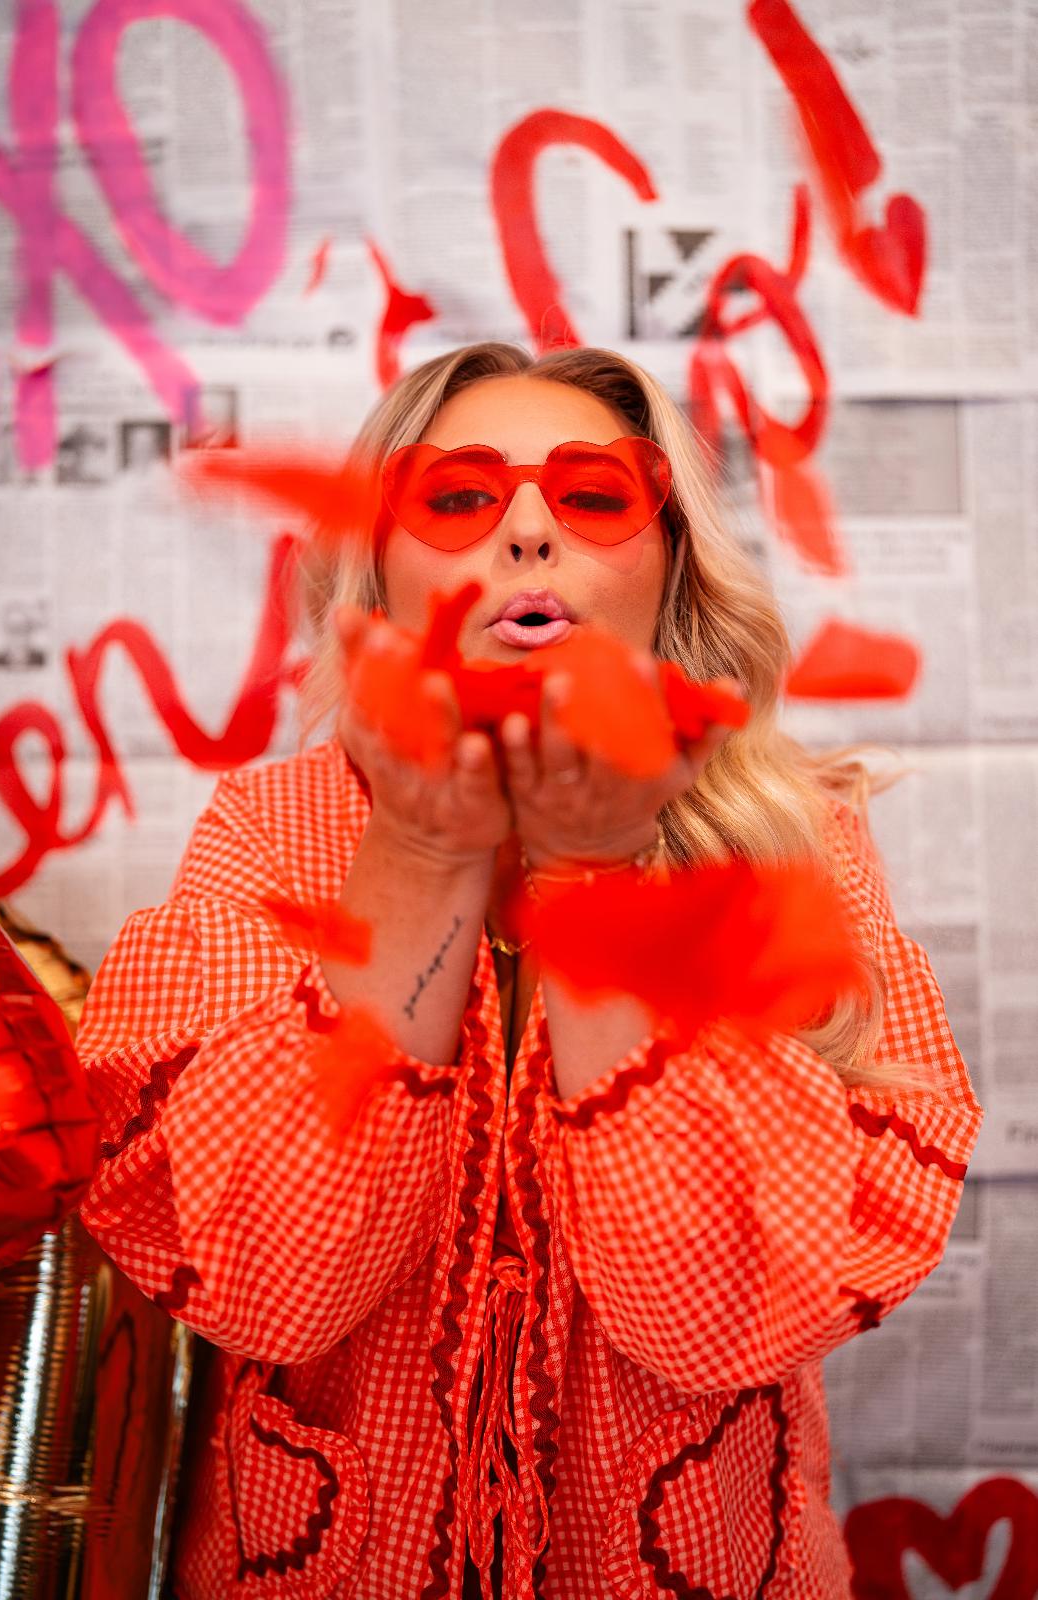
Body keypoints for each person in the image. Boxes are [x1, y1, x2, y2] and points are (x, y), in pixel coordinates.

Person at [77, 342, 982, 1600]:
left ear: (667, 570)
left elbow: (717, 1321)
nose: (525, 535)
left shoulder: (792, 845)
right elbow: (268, 1291)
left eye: (591, 494)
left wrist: (591, 879)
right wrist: (416, 851)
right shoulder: (269, 833)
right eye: (458, 497)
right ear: (378, 577)